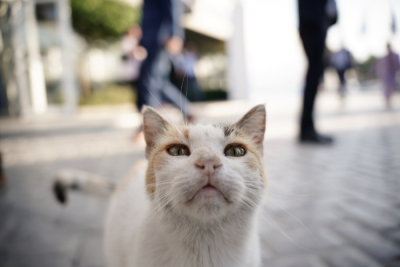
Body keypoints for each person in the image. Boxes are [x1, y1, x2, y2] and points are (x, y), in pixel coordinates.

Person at [136, 0, 193, 119]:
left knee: (150, 80)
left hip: (162, 38)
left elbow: (174, 6)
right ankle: (187, 110)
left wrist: (175, 34)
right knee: (158, 81)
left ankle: (148, 124)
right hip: (151, 40)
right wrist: (141, 42)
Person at [298, 0, 337, 144]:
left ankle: (308, 127)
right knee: (314, 73)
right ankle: (307, 129)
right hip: (312, 25)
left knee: (315, 72)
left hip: (317, 24)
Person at [376, 44, 400, 109]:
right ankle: (387, 102)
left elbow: (398, 65)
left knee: (391, 88)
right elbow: (380, 67)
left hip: (393, 75)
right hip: (386, 76)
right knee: (386, 89)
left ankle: (389, 101)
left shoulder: (395, 56)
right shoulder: (384, 58)